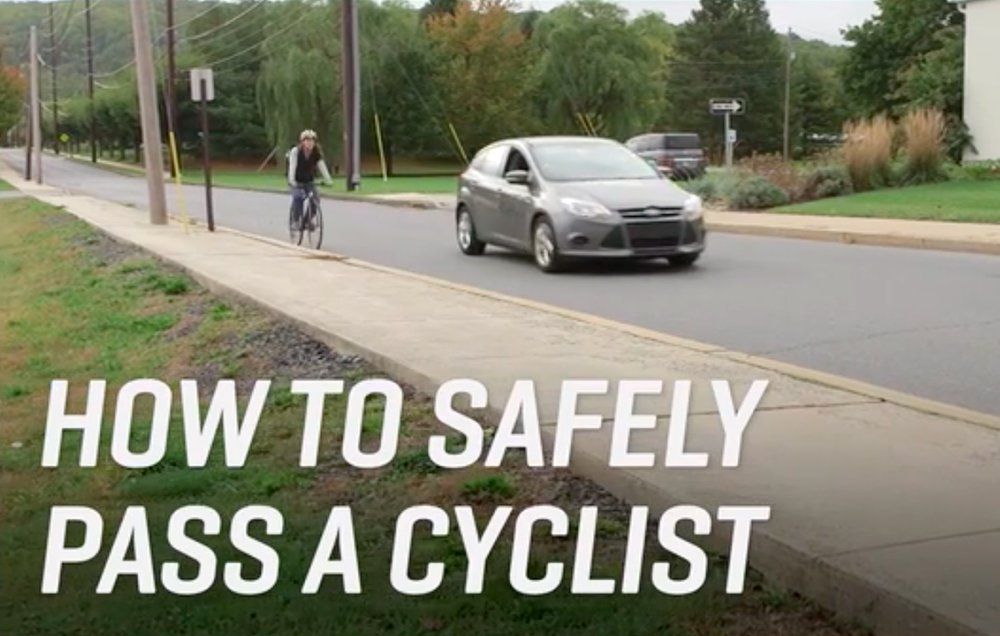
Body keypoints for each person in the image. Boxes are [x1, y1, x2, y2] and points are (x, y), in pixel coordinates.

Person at [287, 129, 333, 229]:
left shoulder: (316, 152)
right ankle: (295, 220)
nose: (310, 143)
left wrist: (328, 179)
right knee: (298, 197)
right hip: (296, 181)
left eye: (312, 140)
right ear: (302, 142)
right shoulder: (296, 151)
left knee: (315, 199)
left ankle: (307, 221)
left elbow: (322, 166)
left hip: (309, 181)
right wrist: (292, 181)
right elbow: (292, 167)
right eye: (307, 140)